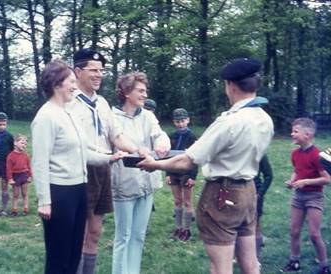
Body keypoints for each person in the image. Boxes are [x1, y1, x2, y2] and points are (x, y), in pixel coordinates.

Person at [138, 58, 274, 274]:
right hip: (249, 191)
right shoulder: (265, 119)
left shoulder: (230, 121)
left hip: (223, 194)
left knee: (220, 267)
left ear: (230, 85)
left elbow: (187, 160)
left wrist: (155, 164)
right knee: (251, 264)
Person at [32, 60, 124, 274]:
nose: (75, 86)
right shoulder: (46, 117)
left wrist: (109, 158)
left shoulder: (69, 112)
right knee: (59, 256)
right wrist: (44, 200)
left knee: (74, 254)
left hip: (78, 189)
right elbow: (39, 162)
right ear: (57, 84)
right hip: (59, 194)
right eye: (71, 81)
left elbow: (83, 152)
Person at [69, 49, 142, 274]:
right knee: (78, 234)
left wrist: (139, 150)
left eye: (101, 70)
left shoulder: (102, 103)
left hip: (104, 171)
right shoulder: (69, 102)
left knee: (95, 232)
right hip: (80, 172)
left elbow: (116, 136)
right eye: (93, 70)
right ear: (78, 71)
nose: (99, 75)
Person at [111, 72, 170, 274]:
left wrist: (163, 142)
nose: (145, 95)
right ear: (127, 92)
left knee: (139, 235)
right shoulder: (112, 117)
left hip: (148, 183)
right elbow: (117, 141)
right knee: (123, 237)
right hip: (124, 184)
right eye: (141, 90)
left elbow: (159, 134)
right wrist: (137, 149)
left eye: (146, 91)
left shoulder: (148, 116)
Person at [281, 118, 330, 274]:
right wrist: (292, 180)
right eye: (292, 131)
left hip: (314, 197)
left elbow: (327, 179)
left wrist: (306, 182)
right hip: (298, 197)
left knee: (314, 234)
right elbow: (297, 170)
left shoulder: (317, 155)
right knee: (294, 231)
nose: (292, 134)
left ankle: (324, 266)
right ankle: (294, 261)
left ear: (307, 134)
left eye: (296, 131)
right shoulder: (295, 153)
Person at [166, 108, 198, 241]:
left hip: (186, 173)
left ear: (188, 120)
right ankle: (178, 227)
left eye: (183, 121)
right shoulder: (171, 136)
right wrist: (167, 173)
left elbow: (196, 158)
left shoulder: (192, 137)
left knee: (187, 201)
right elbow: (167, 156)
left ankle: (187, 229)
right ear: (174, 122)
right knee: (177, 200)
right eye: (177, 121)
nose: (180, 124)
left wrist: (193, 176)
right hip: (173, 172)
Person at [6, 134, 32, 217]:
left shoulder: (26, 155)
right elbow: (8, 169)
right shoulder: (10, 156)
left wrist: (30, 176)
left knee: (25, 193)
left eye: (25, 144)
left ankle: (26, 208)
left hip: (24, 175)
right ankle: (14, 209)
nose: (24, 145)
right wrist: (10, 179)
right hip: (15, 176)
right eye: (22, 143)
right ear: (15, 143)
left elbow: (29, 166)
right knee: (16, 194)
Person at [254, 154, 273, 259]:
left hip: (255, 193)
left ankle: (256, 257)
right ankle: (239, 256)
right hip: (237, 194)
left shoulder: (259, 153)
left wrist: (260, 193)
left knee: (256, 226)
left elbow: (269, 175)